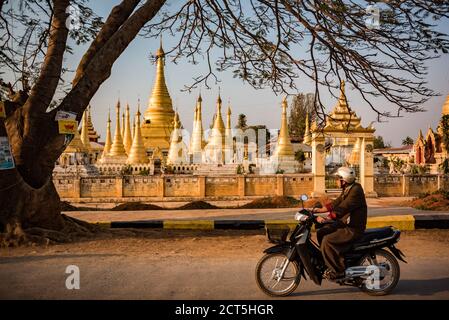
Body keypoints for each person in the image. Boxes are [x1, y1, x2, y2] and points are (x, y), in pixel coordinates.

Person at [313, 167, 367, 280]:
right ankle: (329, 259)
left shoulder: (356, 191)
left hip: (353, 228)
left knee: (328, 240)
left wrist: (326, 217)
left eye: (338, 179)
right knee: (322, 231)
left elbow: (342, 208)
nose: (336, 181)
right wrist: (317, 210)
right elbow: (336, 203)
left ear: (344, 180)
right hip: (345, 223)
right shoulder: (348, 188)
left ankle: (339, 271)